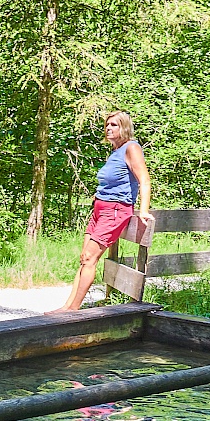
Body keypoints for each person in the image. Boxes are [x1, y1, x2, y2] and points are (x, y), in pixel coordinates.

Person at [52, 110, 152, 312]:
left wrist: (143, 210)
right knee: (84, 258)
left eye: (114, 125)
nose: (108, 128)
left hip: (115, 210)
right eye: (107, 125)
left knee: (90, 258)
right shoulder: (116, 151)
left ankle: (73, 310)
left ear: (124, 127)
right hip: (100, 209)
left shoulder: (131, 148)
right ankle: (67, 306)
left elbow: (144, 180)